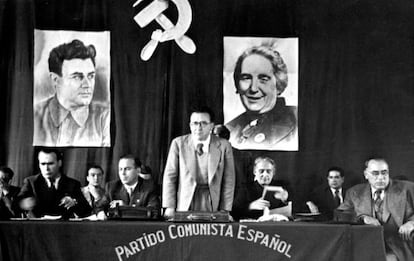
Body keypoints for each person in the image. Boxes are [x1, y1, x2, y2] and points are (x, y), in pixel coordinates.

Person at [33, 39, 110, 147]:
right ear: (55, 79)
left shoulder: (105, 118)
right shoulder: (34, 115)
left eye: (91, 76)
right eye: (77, 77)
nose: (87, 84)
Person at [162, 106, 235, 219]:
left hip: (212, 201)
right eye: (195, 123)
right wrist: (169, 206)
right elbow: (170, 177)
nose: (198, 128)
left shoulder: (224, 145)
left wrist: (225, 209)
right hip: (186, 201)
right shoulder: (178, 144)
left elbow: (229, 180)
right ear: (190, 125)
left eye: (203, 123)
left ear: (211, 126)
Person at [338, 158, 414, 261]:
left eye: (384, 173)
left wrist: (411, 223)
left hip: (399, 246)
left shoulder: (408, 189)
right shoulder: (354, 192)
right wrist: (363, 218)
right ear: (366, 174)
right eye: (375, 173)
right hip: (365, 246)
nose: (380, 178)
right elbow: (341, 215)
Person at [225, 45, 297, 151]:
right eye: (246, 78)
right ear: (237, 85)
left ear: (278, 85)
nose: (253, 88)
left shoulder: (296, 119)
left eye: (263, 79)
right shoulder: (229, 128)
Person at [17, 148, 91, 219]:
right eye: (43, 164)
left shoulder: (72, 184)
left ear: (59, 163)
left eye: (50, 164)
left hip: (63, 228)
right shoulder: (31, 182)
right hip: (37, 228)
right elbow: (15, 206)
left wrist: (74, 202)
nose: (46, 168)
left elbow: (86, 212)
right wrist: (23, 204)